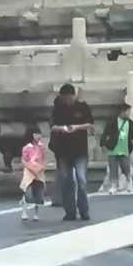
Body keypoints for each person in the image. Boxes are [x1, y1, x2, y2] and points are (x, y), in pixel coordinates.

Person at [50, 83, 93, 222]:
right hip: (63, 152)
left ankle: (84, 210)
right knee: (66, 181)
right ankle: (70, 212)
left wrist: (76, 127)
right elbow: (52, 126)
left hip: (80, 150)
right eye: (65, 98)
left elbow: (90, 124)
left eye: (69, 97)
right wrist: (62, 128)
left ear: (73, 96)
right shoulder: (58, 109)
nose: (67, 100)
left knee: (82, 180)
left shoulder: (82, 107)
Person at [101, 101, 133, 195]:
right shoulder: (113, 121)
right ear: (122, 112)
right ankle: (114, 186)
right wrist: (103, 145)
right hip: (113, 148)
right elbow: (105, 133)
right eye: (128, 112)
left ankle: (129, 182)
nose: (129, 114)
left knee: (126, 167)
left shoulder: (131, 124)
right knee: (113, 168)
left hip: (125, 149)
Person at [20, 126, 48, 222]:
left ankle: (36, 213)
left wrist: (42, 167)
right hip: (29, 171)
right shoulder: (26, 148)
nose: (38, 136)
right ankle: (24, 210)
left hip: (39, 171)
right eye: (36, 134)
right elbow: (24, 160)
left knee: (38, 192)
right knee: (28, 191)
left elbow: (44, 158)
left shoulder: (42, 147)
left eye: (39, 134)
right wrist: (31, 168)